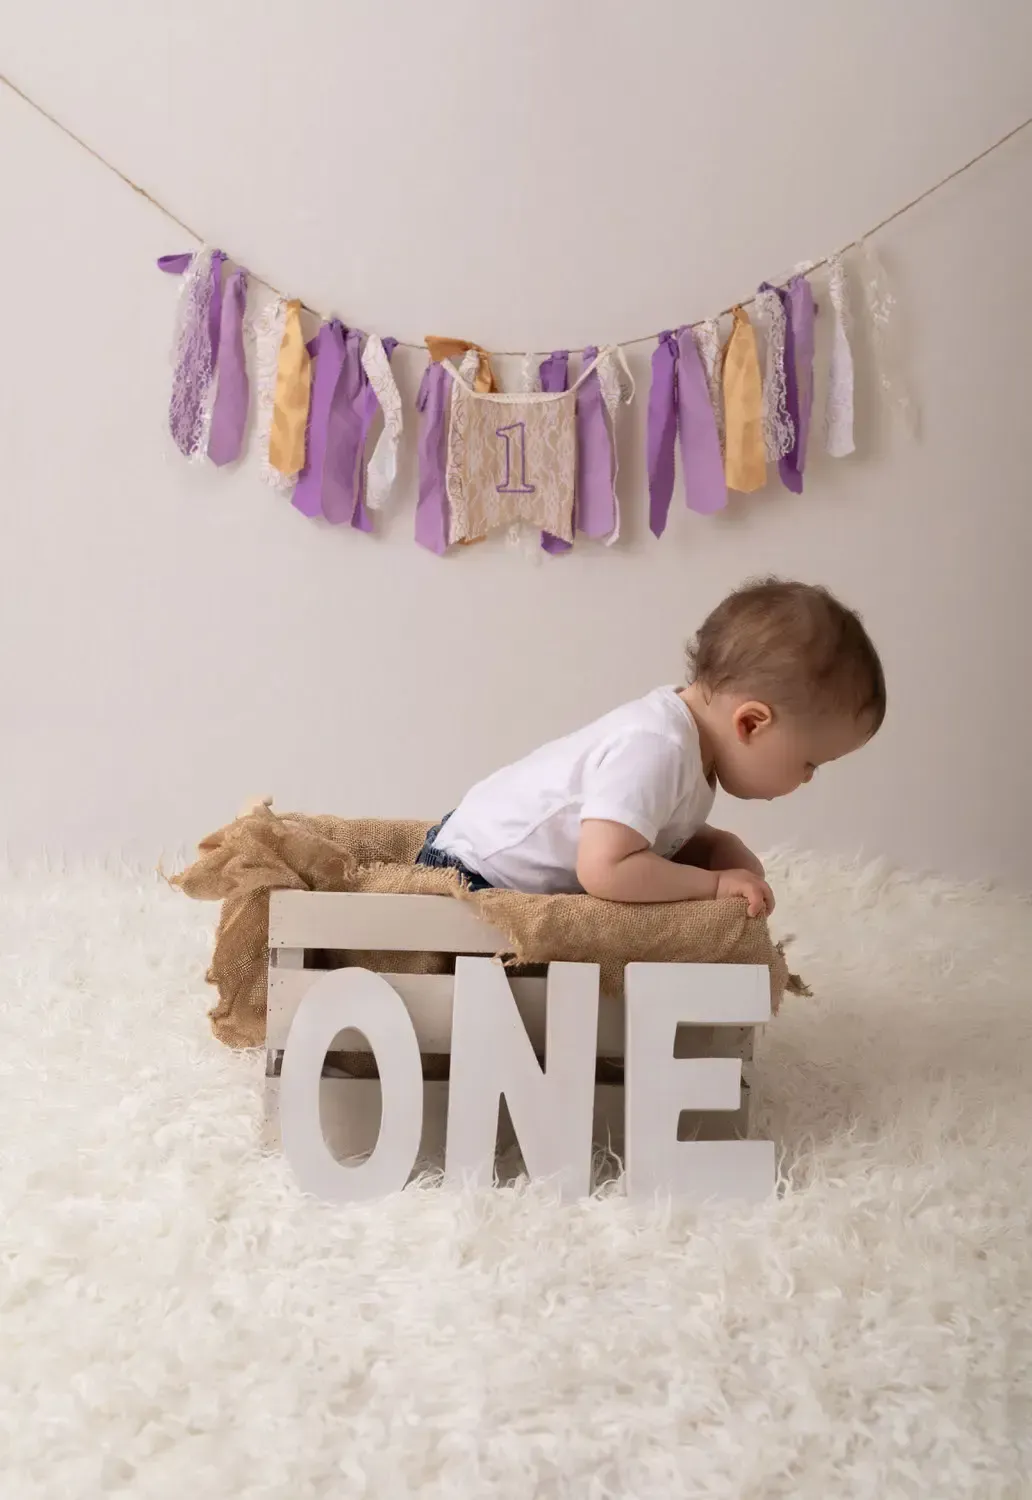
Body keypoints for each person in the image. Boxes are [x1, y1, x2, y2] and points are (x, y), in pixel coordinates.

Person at [417, 578, 885, 916]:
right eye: (811, 763)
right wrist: (714, 884)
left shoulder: (693, 749)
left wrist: (714, 844)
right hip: (468, 874)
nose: (805, 778)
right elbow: (606, 867)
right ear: (751, 723)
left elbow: (646, 828)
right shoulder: (657, 747)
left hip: (490, 867)